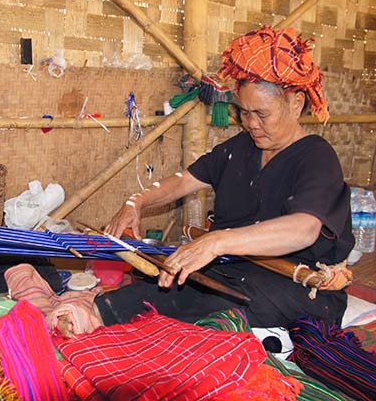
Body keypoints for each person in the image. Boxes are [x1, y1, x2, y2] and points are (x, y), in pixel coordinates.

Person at [95, 26, 355, 329]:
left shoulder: (316, 157)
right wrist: (136, 201)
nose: (251, 123)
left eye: (262, 113)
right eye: (244, 112)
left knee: (200, 311)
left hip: (296, 286)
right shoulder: (241, 147)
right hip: (234, 271)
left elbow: (303, 229)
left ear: (296, 104)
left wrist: (217, 241)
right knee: (154, 287)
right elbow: (183, 180)